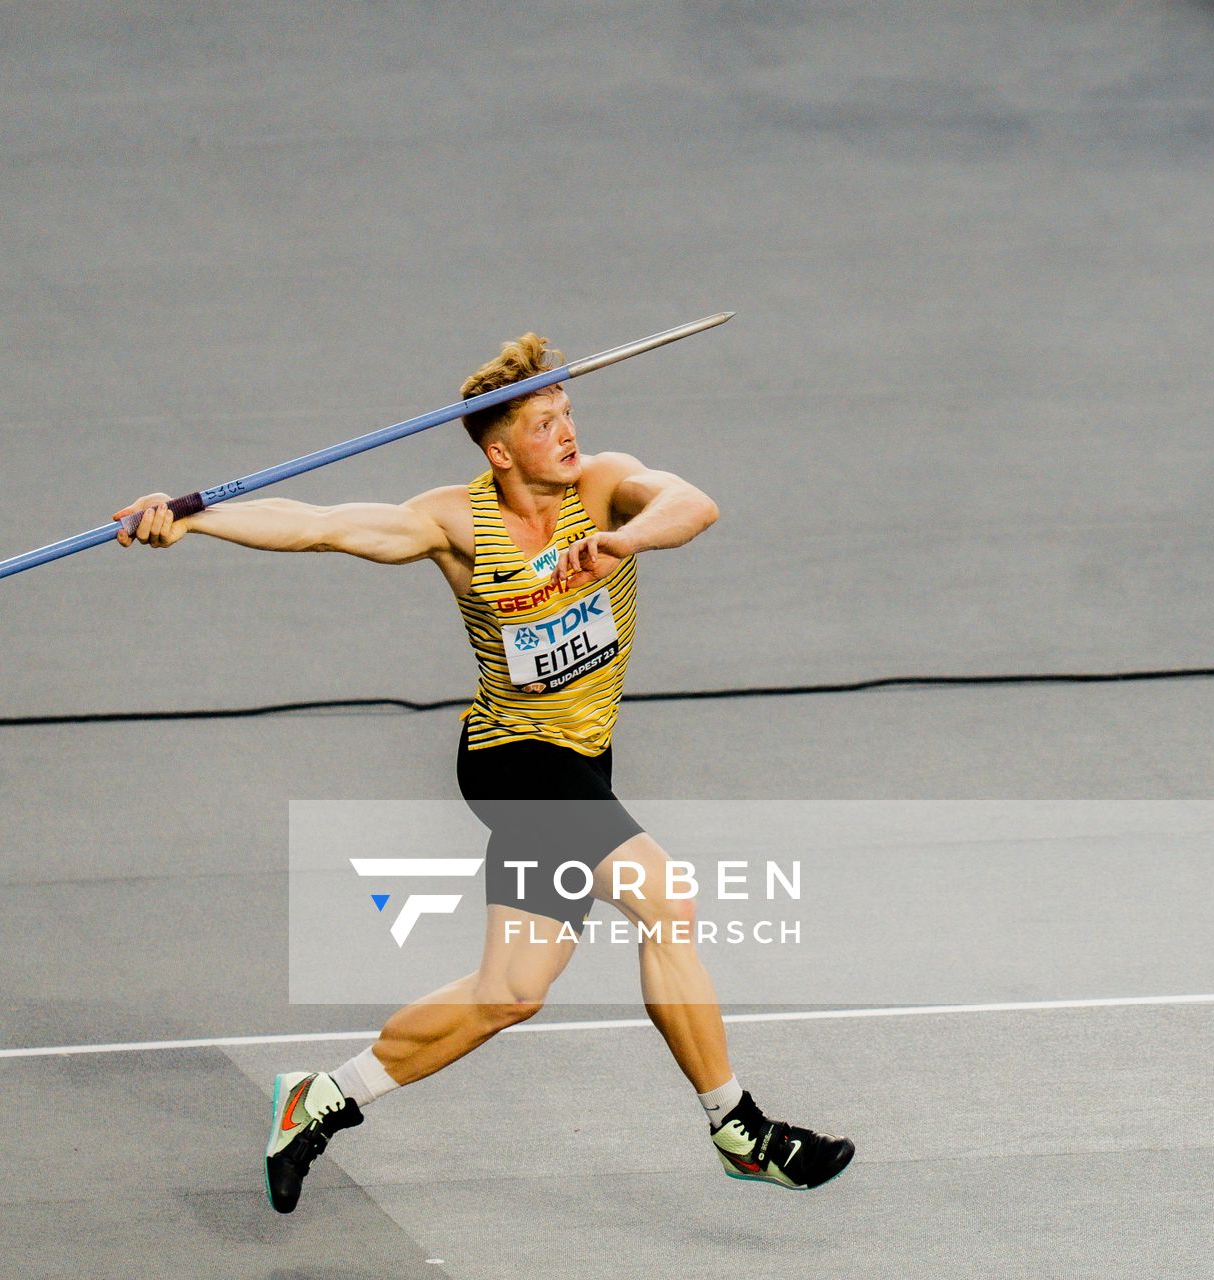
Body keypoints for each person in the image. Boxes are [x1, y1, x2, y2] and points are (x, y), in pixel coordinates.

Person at [115, 333, 854, 1212]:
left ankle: (320, 1098)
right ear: (499, 450)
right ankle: (740, 1128)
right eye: (545, 424)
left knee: (510, 991)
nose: (568, 433)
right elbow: (320, 526)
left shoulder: (604, 486)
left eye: (567, 412)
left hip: (582, 765)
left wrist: (623, 542)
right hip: (513, 763)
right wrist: (192, 516)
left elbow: (694, 505)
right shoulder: (455, 525)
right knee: (666, 897)